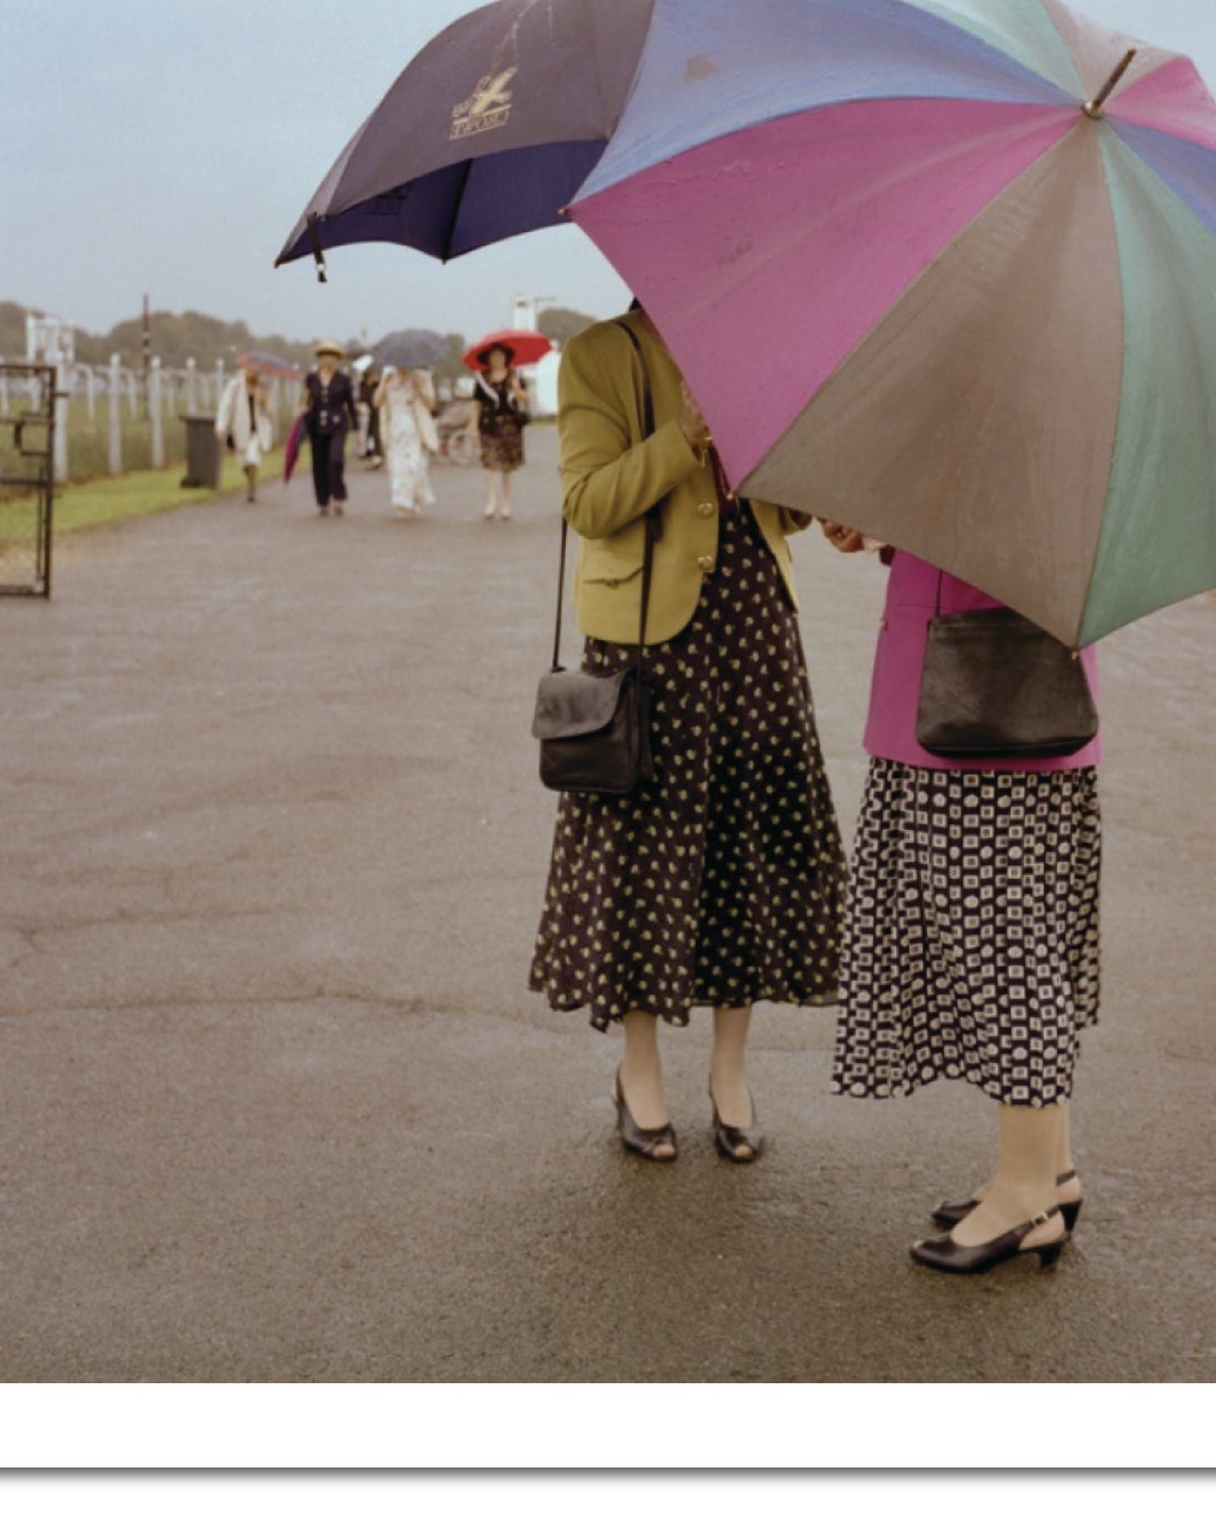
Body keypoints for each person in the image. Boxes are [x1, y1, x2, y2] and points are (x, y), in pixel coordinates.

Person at [528, 303, 844, 1165]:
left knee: (750, 849)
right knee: (644, 858)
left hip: (755, 631)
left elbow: (788, 512)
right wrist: (684, 437)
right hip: (647, 649)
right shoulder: (602, 355)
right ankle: (638, 1071)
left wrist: (786, 459)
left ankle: (730, 1071)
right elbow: (588, 503)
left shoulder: (755, 344)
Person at [823, 527, 1101, 1275]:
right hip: (983, 694)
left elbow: (1003, 523)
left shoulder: (1023, 448)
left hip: (984, 708)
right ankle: (1049, 1170)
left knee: (1010, 957)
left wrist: (901, 521)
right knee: (1023, 944)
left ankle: (1026, 1199)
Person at [469, 343, 530, 519]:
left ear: (506, 357)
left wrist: (516, 389)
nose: (497, 359)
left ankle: (506, 503)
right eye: (494, 356)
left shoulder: (515, 375)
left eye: (501, 356)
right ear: (488, 359)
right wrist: (473, 426)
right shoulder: (482, 379)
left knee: (507, 467)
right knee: (490, 464)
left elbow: (526, 398)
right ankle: (490, 502)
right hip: (489, 425)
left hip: (510, 425)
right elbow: (476, 404)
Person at [300, 341, 358, 517]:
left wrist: (357, 428)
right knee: (319, 463)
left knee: (335, 460)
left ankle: (338, 496)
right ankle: (322, 500)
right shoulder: (311, 378)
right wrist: (303, 409)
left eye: (332, 356)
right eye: (325, 356)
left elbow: (351, 404)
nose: (328, 360)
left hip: (337, 425)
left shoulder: (343, 379)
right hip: (317, 425)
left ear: (338, 359)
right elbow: (305, 399)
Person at [377, 366, 438, 518]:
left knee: (414, 466)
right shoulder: (388, 374)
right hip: (395, 428)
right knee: (397, 467)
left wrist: (418, 388)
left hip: (415, 427)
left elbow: (431, 404)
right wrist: (383, 383)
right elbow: (377, 402)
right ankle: (401, 503)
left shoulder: (422, 376)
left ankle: (414, 498)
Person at [213, 361, 275, 504]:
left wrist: (264, 401)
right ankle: (250, 478)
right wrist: (221, 426)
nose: (253, 373)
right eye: (250, 369)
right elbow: (226, 406)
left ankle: (251, 489)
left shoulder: (262, 387)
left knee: (253, 458)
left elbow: (270, 412)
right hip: (240, 430)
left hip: (257, 432)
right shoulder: (235, 386)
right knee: (242, 462)